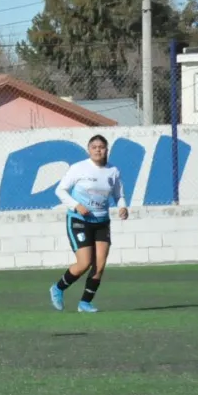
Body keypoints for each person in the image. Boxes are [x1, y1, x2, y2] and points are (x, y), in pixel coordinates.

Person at [49, 134, 128, 313]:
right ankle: (58, 288)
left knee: (99, 265)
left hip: (102, 222)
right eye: (94, 147)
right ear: (89, 150)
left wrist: (122, 207)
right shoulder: (79, 168)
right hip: (79, 220)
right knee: (84, 263)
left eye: (102, 147)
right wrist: (76, 205)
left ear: (107, 150)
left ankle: (85, 303)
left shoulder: (113, 171)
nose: (98, 150)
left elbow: (119, 195)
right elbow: (60, 190)